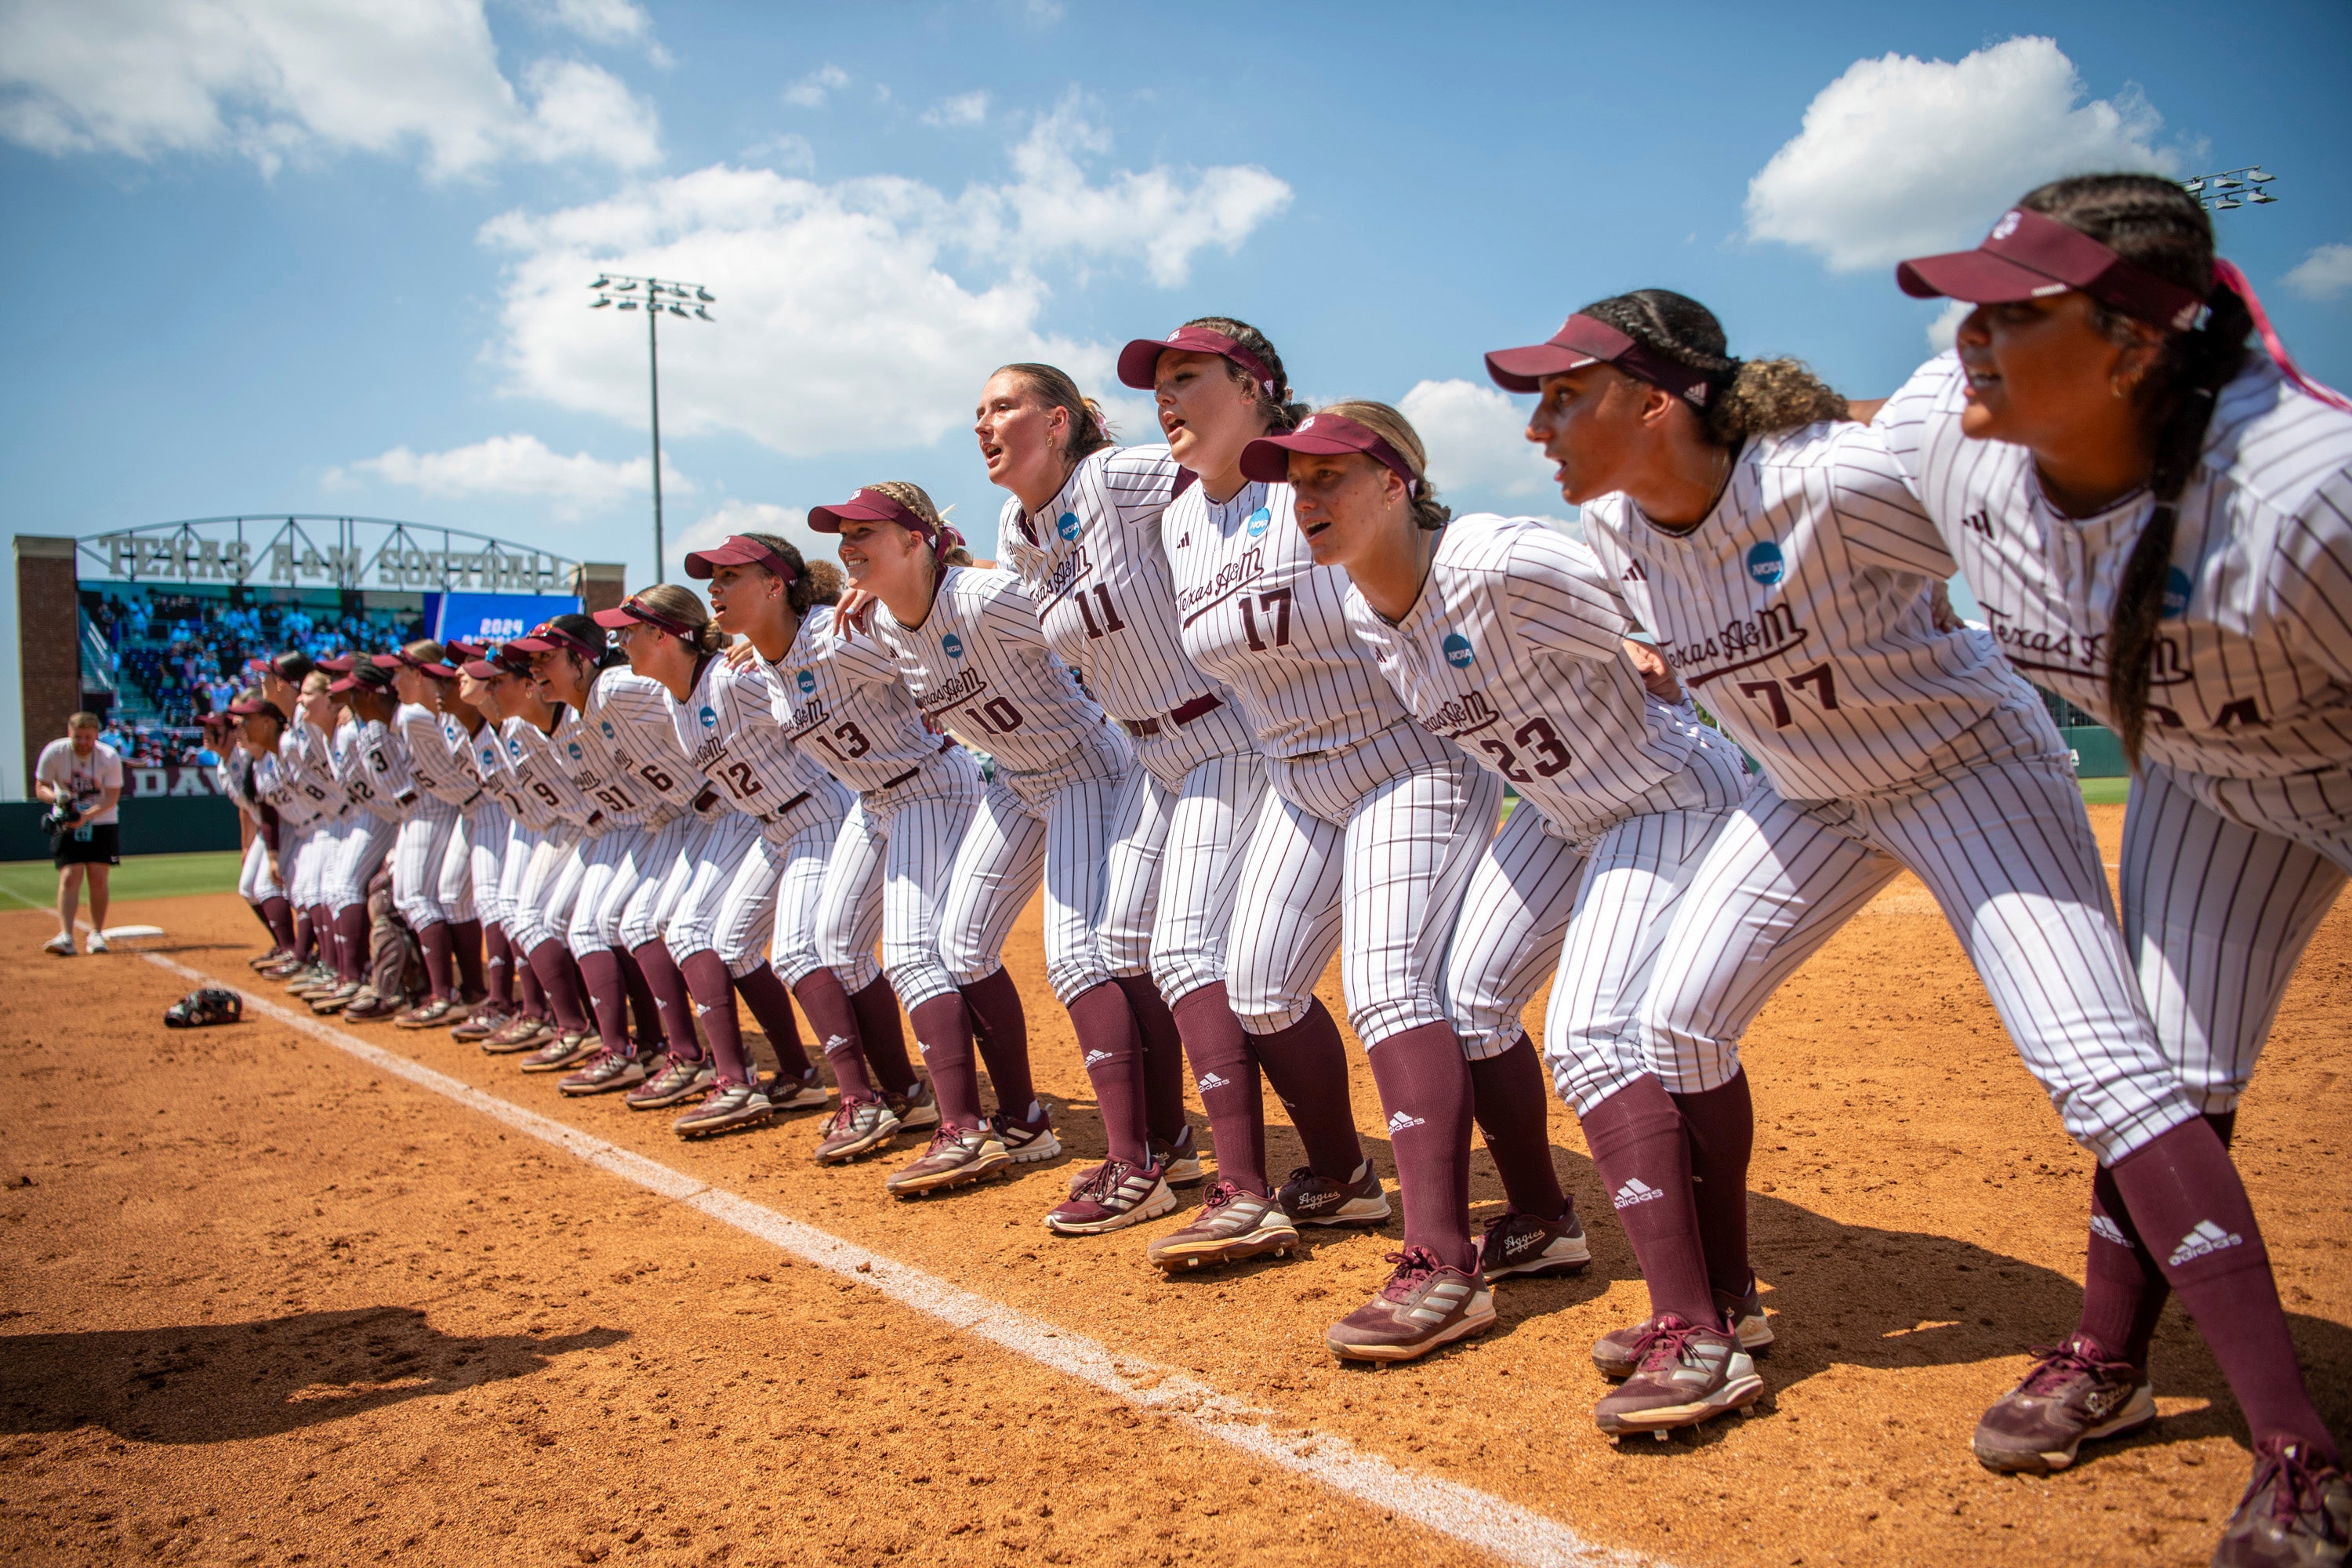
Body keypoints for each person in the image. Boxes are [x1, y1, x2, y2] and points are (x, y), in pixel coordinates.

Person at [1486, 285, 2335, 1472]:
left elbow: (1991, 497)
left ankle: (2297, 1447)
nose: (1538, 428)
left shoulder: (1828, 478)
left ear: (1659, 398)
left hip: (1962, 769)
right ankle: (1717, 1318)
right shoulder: (1620, 533)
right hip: (1805, 791)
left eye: (1566, 397)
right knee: (1668, 1024)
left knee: (2101, 1066)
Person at [1872, 172, 2350, 1563]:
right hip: (2210, 778)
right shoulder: (1949, 440)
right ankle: (2116, 1356)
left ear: (2137, 344)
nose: (1969, 339)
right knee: (2166, 1072)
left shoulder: (2303, 493)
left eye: (2012, 315)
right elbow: (1822, 453)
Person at [1255, 399, 1750, 1362]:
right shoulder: (1367, 607)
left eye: (1331, 476)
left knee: (1596, 1030)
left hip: (1663, 793)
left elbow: (1648, 580)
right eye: (1296, 481)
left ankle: (1709, 1305)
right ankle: (1545, 1221)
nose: (1306, 497)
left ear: (1396, 483)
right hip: (1566, 813)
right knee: (1469, 1000)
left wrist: (1643, 636)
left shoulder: (1498, 556)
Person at [1116, 318, 1503, 1273]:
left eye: (1187, 376)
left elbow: (1431, 549)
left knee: (1391, 987)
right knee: (1256, 981)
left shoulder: (1313, 477)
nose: (1164, 398)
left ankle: (1443, 1254)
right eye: (1155, 383)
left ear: (1253, 386)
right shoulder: (1174, 523)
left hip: (1406, 755)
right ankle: (1344, 1175)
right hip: (1299, 775)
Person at [977, 361, 1247, 1232]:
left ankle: (1242, 1184)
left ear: (1059, 423)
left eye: (1005, 404)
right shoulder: (1017, 531)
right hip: (1146, 756)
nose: (985, 422)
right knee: (1118, 942)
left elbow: (1242, 471)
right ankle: (1162, 1149)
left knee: (1180, 950)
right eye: (978, 411)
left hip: (1224, 735)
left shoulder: (1115, 477)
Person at [816, 481, 1137, 1209]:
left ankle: (1140, 1152)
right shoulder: (886, 627)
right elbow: (805, 659)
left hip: (1085, 766)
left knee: (1079, 956)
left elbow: (1087, 615)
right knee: (959, 947)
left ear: (915, 540)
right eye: (841, 536)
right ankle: (1024, 1121)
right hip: (1014, 781)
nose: (847, 546)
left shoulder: (981, 599)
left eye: (864, 531)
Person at [34, 711, 123, 956]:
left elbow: (111, 797)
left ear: (96, 735)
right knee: (70, 876)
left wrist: (86, 816)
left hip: (102, 821)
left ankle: (96, 934)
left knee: (98, 876)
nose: (83, 743)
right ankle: (66, 936)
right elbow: (40, 786)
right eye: (78, 737)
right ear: (69, 733)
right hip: (65, 819)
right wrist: (57, 798)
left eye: (88, 737)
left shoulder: (109, 756)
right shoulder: (55, 752)